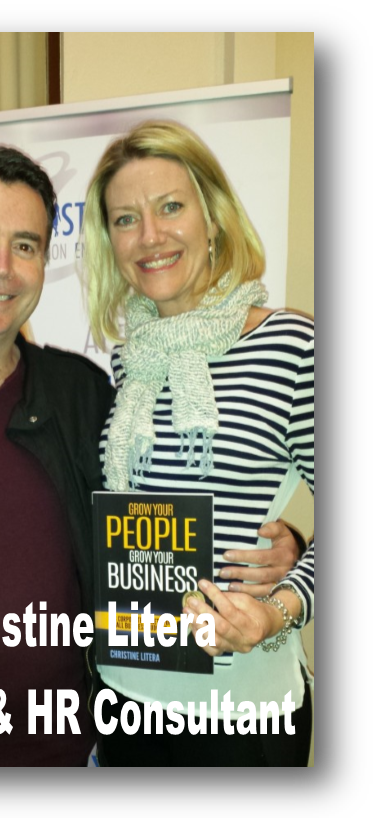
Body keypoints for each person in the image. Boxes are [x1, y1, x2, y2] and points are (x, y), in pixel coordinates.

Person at [0, 143, 300, 767]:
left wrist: (287, 564)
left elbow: (178, 506)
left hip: (111, 739)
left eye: (24, 245)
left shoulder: (83, 392)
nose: (0, 267)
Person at [83, 121, 313, 767]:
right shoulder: (128, 365)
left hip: (243, 717)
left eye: (170, 207)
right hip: (124, 700)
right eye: (126, 219)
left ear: (212, 218)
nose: (149, 236)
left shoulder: (289, 347)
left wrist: (281, 607)